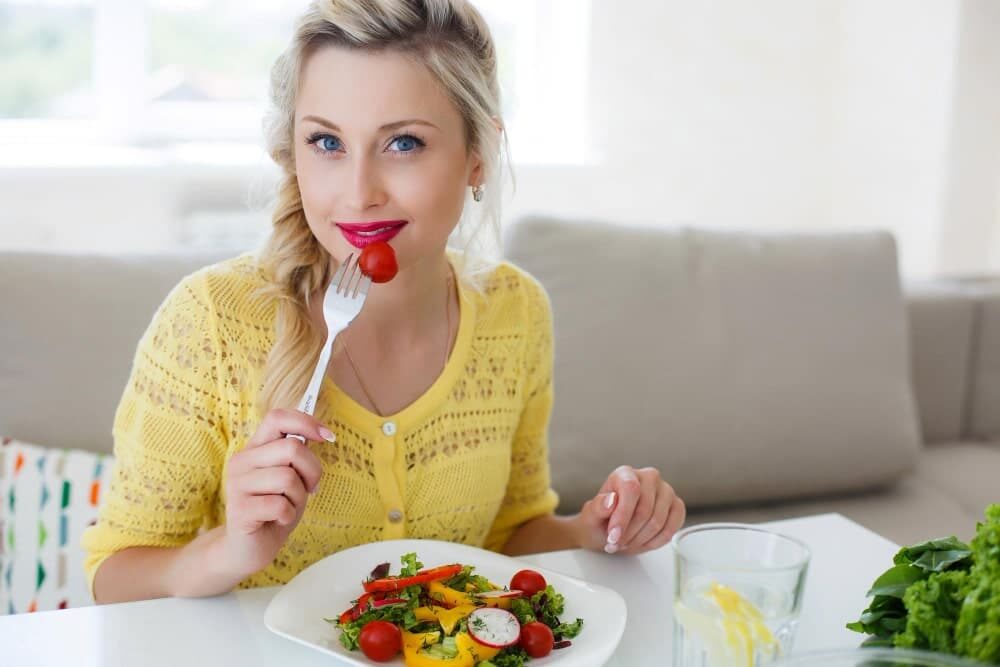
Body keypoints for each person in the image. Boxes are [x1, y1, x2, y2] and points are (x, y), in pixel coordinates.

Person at [82, 0, 686, 604]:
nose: (358, 193)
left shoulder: (516, 312)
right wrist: (230, 551)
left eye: (402, 143)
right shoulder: (212, 320)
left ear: (477, 156)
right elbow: (113, 579)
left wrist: (597, 527)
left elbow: (506, 535)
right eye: (326, 141)